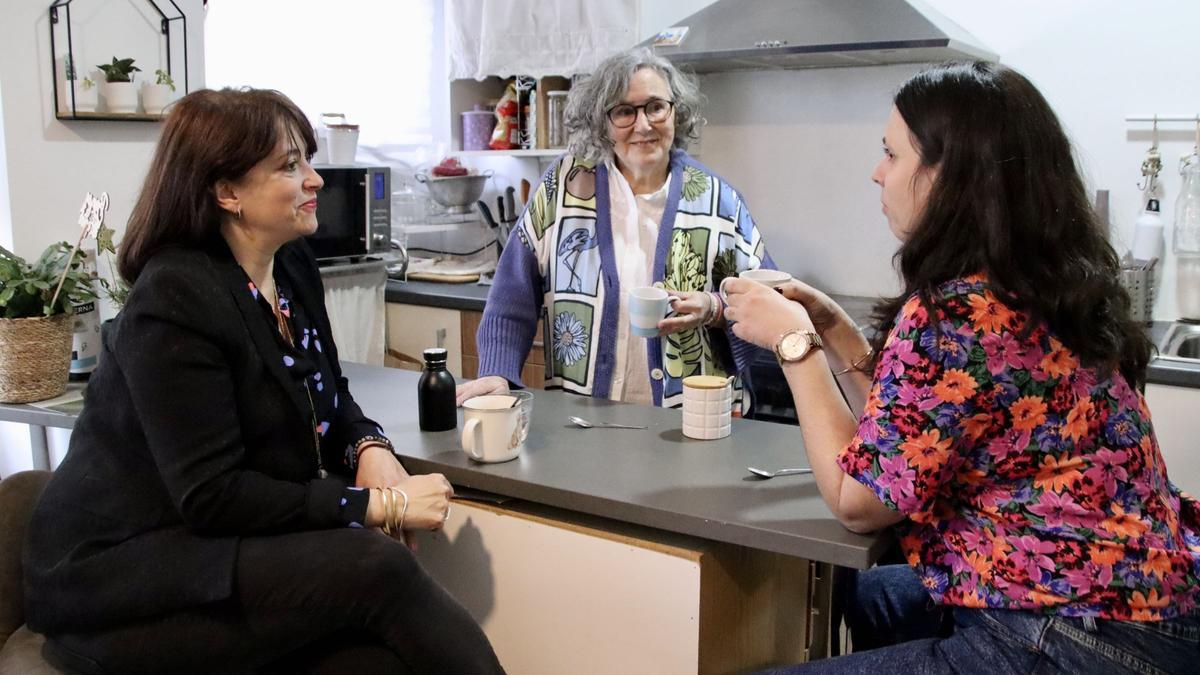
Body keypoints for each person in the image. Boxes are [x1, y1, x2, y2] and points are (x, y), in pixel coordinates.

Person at [722, 62, 1200, 672]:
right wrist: (837, 330)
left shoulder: (954, 314)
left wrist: (795, 343)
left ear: (951, 176)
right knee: (870, 596)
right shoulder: (1045, 284)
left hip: (1080, 634)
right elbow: (912, 443)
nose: (877, 172)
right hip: (1151, 603)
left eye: (891, 155)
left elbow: (859, 500)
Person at [23, 89, 504, 674]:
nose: (315, 179)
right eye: (289, 164)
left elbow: (327, 393)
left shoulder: (292, 266)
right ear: (227, 193)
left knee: (375, 662)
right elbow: (212, 495)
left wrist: (366, 447)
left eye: (307, 157)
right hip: (126, 579)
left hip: (216, 551)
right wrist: (376, 505)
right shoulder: (174, 297)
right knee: (378, 565)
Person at [457, 47, 776, 410]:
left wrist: (714, 307)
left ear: (676, 112)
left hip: (693, 421)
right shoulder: (563, 187)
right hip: (585, 423)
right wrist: (497, 373)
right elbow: (512, 297)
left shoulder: (717, 199)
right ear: (602, 123)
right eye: (624, 111)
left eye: (656, 107)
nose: (643, 125)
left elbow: (772, 303)